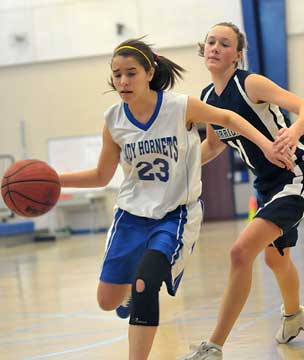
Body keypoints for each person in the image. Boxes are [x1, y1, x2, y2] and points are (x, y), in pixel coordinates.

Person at [58, 37, 291, 360]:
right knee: (106, 300)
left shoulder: (180, 106)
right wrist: (53, 180)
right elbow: (101, 175)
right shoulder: (113, 119)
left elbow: (229, 119)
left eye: (131, 73)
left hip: (175, 216)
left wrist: (265, 145)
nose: (123, 81)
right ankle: (125, 294)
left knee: (145, 283)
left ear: (149, 72)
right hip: (131, 215)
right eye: (117, 74)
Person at [181, 22, 304, 360]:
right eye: (210, 42)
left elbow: (302, 106)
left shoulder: (250, 83)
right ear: (203, 49)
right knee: (275, 258)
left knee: (240, 252)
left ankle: (214, 346)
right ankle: (294, 316)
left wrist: (293, 132)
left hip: (293, 174)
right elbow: (213, 146)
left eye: (224, 43)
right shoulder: (207, 98)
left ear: (237, 54)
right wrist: (181, 166)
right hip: (265, 185)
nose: (215, 48)